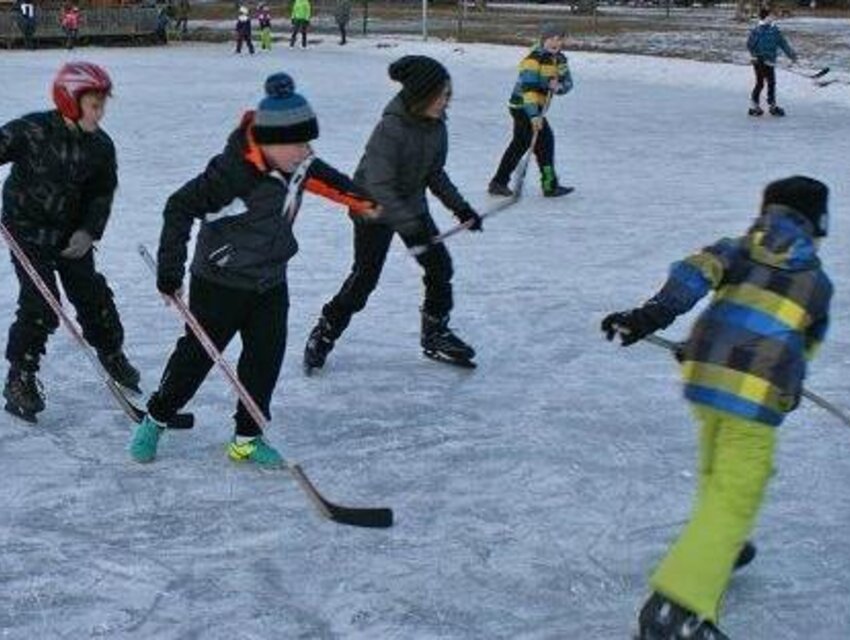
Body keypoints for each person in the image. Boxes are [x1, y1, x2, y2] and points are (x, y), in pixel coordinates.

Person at [601, 176, 833, 639]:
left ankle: (719, 549)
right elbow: (801, 349)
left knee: (717, 471)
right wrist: (786, 393)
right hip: (754, 396)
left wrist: (650, 316)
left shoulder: (738, 249)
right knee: (737, 492)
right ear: (819, 224)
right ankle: (676, 611)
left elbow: (693, 275)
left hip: (705, 381)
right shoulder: (815, 283)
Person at [128, 73, 377, 466]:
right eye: (297, 143)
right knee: (197, 357)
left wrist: (370, 203)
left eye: (308, 142)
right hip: (221, 281)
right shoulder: (231, 175)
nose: (306, 150)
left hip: (270, 281)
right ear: (269, 141)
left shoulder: (298, 163)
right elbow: (179, 207)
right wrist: (169, 273)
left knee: (265, 359)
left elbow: (333, 183)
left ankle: (247, 437)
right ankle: (156, 419)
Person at [303, 55, 483, 373]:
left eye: (448, 94)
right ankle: (326, 331)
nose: (447, 100)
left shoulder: (437, 126)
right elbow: (379, 186)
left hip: (410, 206)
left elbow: (435, 173)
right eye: (441, 94)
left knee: (440, 267)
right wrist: (410, 225)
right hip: (372, 209)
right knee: (364, 280)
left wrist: (461, 208)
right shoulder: (391, 129)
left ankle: (435, 332)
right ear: (421, 95)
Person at [1, 62, 141, 423]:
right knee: (41, 302)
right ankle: (20, 376)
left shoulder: (100, 147)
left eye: (102, 105)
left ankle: (112, 352)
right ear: (69, 101)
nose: (101, 112)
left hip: (70, 236)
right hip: (26, 230)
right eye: (94, 105)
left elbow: (101, 194)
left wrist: (88, 232)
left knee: (92, 295)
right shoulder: (32, 131)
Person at [488, 22, 574, 199]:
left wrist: (558, 87)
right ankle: (501, 183)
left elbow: (568, 83)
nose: (555, 43)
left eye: (559, 39)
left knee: (538, 143)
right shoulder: (532, 60)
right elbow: (528, 90)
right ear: (543, 40)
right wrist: (534, 115)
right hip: (522, 107)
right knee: (528, 143)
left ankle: (544, 184)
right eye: (551, 39)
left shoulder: (560, 60)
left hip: (538, 109)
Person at [746, 7, 797, 117]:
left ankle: (771, 106)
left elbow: (783, 44)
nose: (773, 17)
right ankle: (755, 106)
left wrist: (792, 55)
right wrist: (757, 56)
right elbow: (750, 45)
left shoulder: (774, 31)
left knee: (771, 83)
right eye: (771, 15)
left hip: (769, 61)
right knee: (760, 83)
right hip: (758, 61)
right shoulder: (756, 30)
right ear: (765, 17)